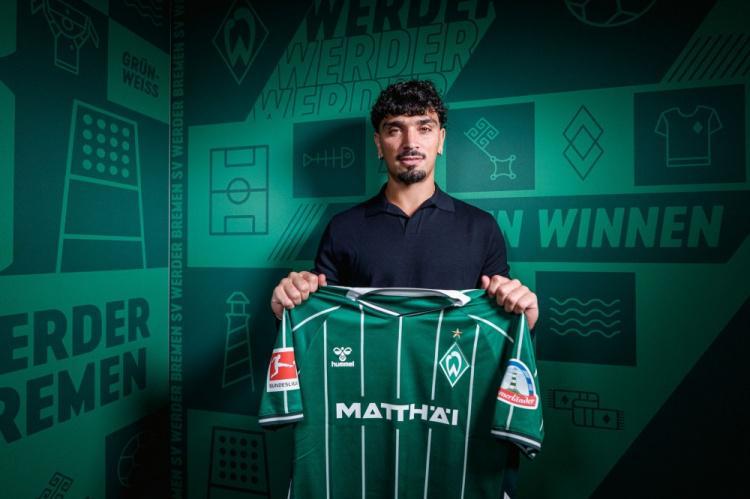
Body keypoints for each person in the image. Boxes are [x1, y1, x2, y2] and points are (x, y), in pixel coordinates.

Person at [270, 79, 538, 329]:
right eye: (395, 130)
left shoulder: (481, 227)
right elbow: (321, 327)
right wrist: (291, 305)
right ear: (378, 143)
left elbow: (497, 328)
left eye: (424, 128)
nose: (410, 143)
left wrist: (524, 318)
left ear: (441, 139)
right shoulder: (342, 228)